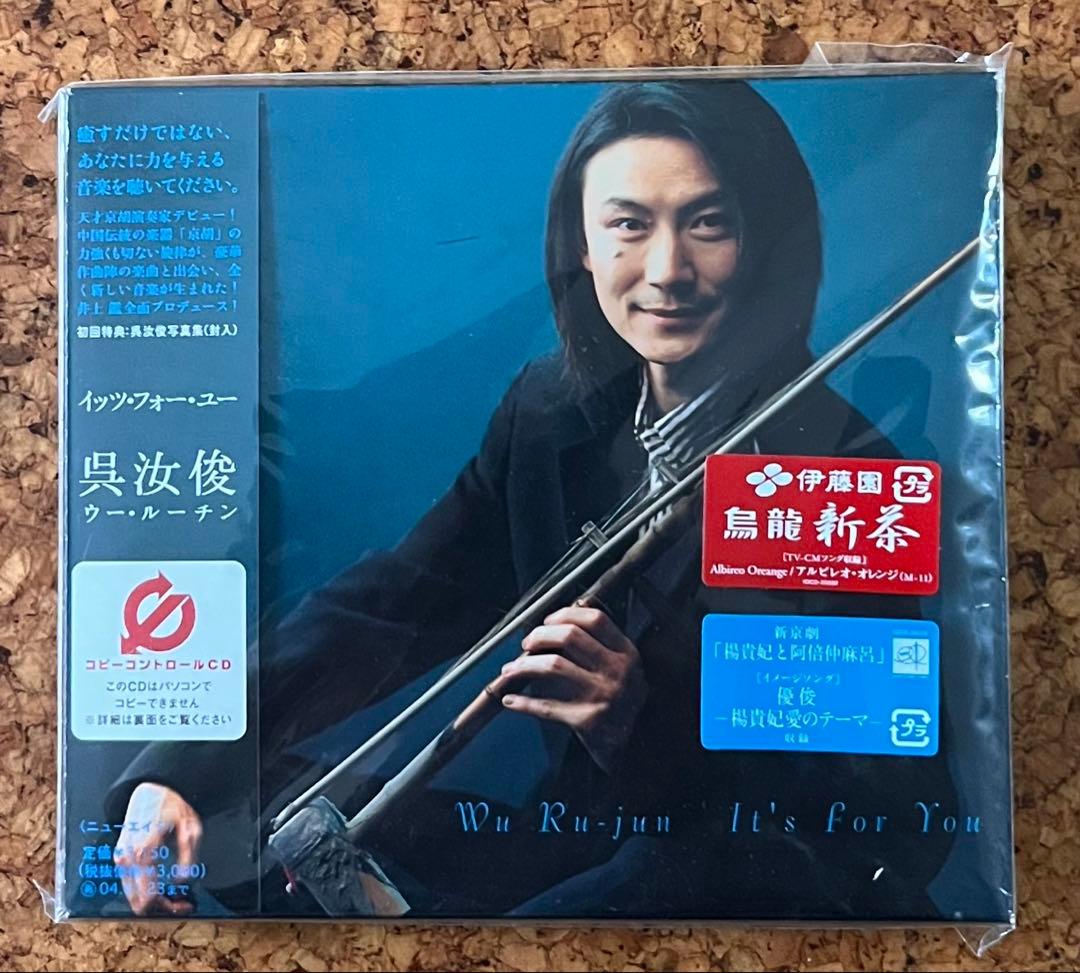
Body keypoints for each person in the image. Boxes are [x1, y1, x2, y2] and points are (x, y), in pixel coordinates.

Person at [110, 80, 957, 919]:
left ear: (764, 238)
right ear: (581, 245)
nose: (666, 271)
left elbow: (892, 822)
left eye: (709, 223)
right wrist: (184, 763)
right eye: (629, 225)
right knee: (258, 818)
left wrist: (640, 724)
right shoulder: (551, 415)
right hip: (565, 840)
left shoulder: (848, 478)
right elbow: (399, 599)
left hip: (712, 879)